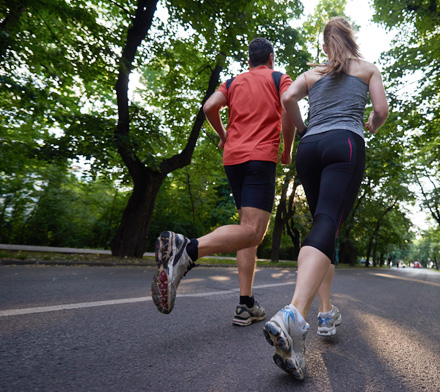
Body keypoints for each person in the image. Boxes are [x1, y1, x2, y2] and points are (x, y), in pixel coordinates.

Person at [262, 17, 389, 381]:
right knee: (328, 221)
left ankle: (326, 312)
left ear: (324, 44)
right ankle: (293, 314)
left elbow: (287, 97)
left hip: (310, 147)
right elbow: (380, 111)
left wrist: (302, 128)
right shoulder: (367, 69)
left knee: (323, 225)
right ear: (351, 39)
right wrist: (370, 126)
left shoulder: (311, 74)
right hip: (344, 143)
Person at [152, 38, 296, 327]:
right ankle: (187, 249)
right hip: (260, 158)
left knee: (245, 230)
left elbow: (209, 107)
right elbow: (290, 106)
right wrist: (288, 149)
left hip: (233, 160)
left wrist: (224, 135)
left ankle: (246, 304)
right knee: (254, 232)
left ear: (249, 60)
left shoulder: (233, 82)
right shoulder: (279, 78)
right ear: (270, 57)